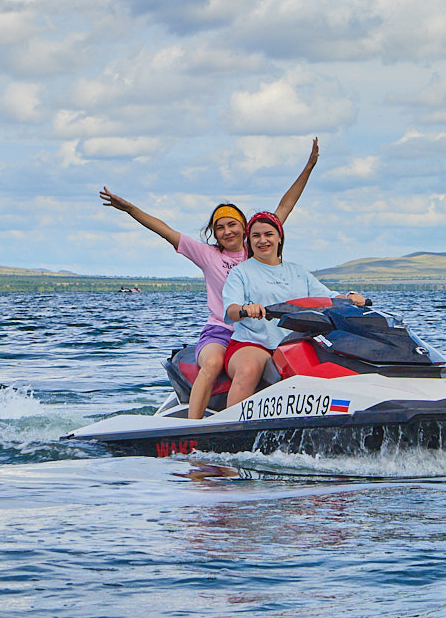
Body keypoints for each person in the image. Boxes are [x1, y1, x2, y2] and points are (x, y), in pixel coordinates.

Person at [99, 140, 320, 419]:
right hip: (221, 330)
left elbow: (285, 205)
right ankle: (194, 427)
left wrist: (309, 167)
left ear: (245, 228)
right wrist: (131, 210)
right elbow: (165, 231)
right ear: (214, 234)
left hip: (257, 332)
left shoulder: (258, 246)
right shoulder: (208, 255)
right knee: (213, 362)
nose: (227, 231)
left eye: (232, 225)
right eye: (220, 228)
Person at [222, 210, 367, 407]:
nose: (262, 240)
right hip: (254, 343)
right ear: (249, 241)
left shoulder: (297, 272)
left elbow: (326, 297)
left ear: (280, 238)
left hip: (294, 343)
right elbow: (231, 309)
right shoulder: (241, 272)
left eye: (268, 234)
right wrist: (246, 308)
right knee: (249, 370)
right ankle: (231, 429)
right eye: (256, 236)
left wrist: (350, 297)